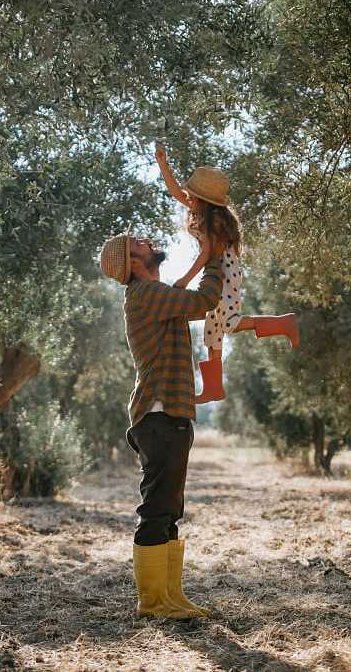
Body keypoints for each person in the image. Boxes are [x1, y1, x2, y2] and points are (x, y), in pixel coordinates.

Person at [99, 232, 222, 618]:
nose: (147, 241)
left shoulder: (154, 295)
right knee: (157, 510)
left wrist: (200, 261)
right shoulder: (146, 295)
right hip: (159, 416)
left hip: (168, 416)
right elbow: (204, 302)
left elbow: (182, 294)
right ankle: (152, 603)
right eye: (138, 243)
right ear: (132, 262)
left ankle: (171, 597)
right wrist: (216, 258)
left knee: (169, 510)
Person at [155, 142, 299, 403]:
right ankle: (213, 388)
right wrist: (163, 164)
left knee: (229, 323)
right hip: (220, 273)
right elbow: (176, 193)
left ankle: (284, 323)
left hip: (224, 273)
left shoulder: (213, 221)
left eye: (192, 193)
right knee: (213, 330)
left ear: (203, 199)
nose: (188, 196)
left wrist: (184, 280)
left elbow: (206, 253)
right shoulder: (204, 212)